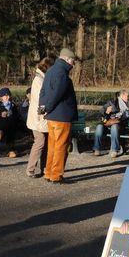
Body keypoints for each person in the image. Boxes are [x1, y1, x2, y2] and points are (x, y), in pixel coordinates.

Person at [39, 47, 79, 184]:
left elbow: (43, 91)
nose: (73, 64)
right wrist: (49, 107)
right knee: (61, 146)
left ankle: (48, 172)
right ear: (67, 59)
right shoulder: (62, 73)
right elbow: (57, 94)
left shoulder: (50, 71)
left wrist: (43, 108)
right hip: (62, 116)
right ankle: (56, 175)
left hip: (51, 116)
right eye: (73, 61)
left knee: (52, 146)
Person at [25, 58, 54, 178]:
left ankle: (45, 168)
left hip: (40, 118)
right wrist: (43, 116)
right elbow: (39, 101)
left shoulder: (41, 79)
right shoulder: (38, 80)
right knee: (40, 143)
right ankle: (30, 169)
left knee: (44, 143)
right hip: (38, 119)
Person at [93, 89, 129, 157]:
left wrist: (123, 118)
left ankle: (114, 150)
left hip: (119, 127)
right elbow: (100, 114)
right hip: (107, 124)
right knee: (99, 127)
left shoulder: (126, 106)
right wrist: (106, 112)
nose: (128, 98)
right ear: (122, 96)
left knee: (114, 126)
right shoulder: (111, 102)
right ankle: (97, 149)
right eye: (127, 96)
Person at [0, 87, 20, 158]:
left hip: (10, 125)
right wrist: (0, 114)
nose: (8, 97)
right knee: (9, 128)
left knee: (10, 128)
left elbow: (17, 116)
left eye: (9, 95)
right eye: (6, 95)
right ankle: (10, 151)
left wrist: (11, 114)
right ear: (1, 97)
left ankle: (1, 134)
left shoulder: (13, 105)